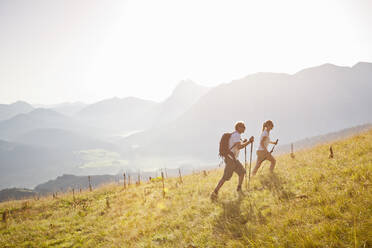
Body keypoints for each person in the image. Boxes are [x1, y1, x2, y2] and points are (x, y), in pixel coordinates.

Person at [211, 121, 254, 200]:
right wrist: (248, 142)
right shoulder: (237, 135)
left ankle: (239, 189)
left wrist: (243, 142)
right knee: (225, 177)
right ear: (238, 127)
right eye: (243, 127)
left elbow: (236, 145)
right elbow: (239, 147)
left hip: (233, 159)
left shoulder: (235, 135)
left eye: (244, 126)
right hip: (231, 159)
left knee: (242, 172)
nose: (244, 128)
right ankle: (215, 192)